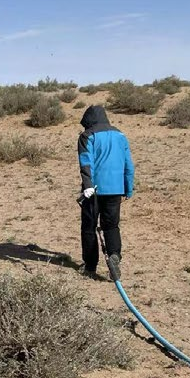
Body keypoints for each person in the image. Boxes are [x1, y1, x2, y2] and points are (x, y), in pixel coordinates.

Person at [77, 104, 134, 281]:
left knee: (89, 227)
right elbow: (128, 164)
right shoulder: (120, 136)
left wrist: (87, 184)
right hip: (116, 189)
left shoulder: (87, 136)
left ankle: (90, 266)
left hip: (93, 190)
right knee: (111, 226)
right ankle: (114, 255)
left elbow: (86, 162)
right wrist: (128, 188)